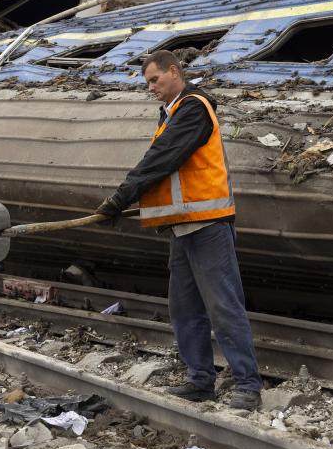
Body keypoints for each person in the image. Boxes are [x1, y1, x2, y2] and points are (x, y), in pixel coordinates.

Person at [95, 50, 262, 410]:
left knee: (223, 307)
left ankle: (248, 386)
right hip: (182, 228)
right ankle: (200, 380)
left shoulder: (194, 109)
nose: (151, 88)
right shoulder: (170, 114)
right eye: (147, 83)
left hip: (208, 225)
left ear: (174, 71)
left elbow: (162, 158)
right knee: (185, 309)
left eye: (155, 80)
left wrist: (121, 197)